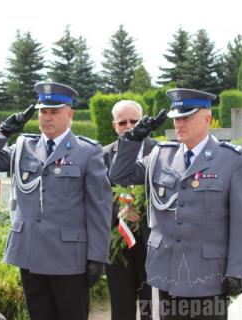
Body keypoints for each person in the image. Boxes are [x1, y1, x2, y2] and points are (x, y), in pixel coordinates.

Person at [109, 88, 242, 320]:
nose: (179, 123)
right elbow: (119, 175)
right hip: (167, 272)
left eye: (186, 117)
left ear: (206, 118)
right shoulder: (161, 155)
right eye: (176, 118)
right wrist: (131, 139)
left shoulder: (231, 159)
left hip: (208, 276)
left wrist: (239, 270)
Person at [0, 82, 112, 320]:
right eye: (42, 111)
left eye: (54, 111)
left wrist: (97, 256)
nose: (47, 117)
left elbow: (99, 208)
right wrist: (3, 132)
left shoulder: (87, 152)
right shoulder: (24, 146)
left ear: (70, 114)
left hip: (69, 259)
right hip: (31, 254)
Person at [103, 100, 156, 320]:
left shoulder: (160, 152)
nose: (129, 126)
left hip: (152, 243)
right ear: (115, 126)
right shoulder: (103, 155)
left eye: (134, 121)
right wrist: (118, 210)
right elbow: (94, 196)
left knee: (150, 306)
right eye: (122, 122)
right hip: (117, 245)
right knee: (121, 307)